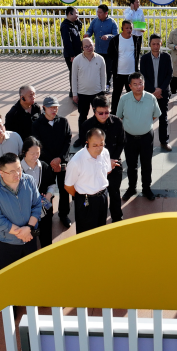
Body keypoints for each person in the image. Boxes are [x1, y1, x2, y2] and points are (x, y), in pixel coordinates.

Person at [0, 153, 43, 271]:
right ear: (1, 173)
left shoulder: (29, 180)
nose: (17, 174)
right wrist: (22, 234)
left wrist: (29, 228)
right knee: (9, 276)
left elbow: (37, 205)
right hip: (7, 242)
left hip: (30, 237)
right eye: (12, 171)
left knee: (31, 272)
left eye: (19, 169)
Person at [115, 72, 161, 201]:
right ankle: (131, 188)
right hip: (129, 137)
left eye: (140, 83)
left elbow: (155, 115)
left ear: (144, 84)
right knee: (131, 165)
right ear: (130, 86)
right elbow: (119, 116)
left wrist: (143, 124)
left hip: (147, 137)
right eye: (135, 84)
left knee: (146, 164)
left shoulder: (151, 98)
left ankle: (146, 188)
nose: (138, 86)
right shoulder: (124, 99)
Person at [79, 96, 126, 222]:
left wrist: (111, 160)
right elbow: (86, 148)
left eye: (107, 112)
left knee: (115, 193)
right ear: (94, 110)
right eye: (101, 113)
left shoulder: (117, 122)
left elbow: (121, 142)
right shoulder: (86, 126)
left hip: (114, 163)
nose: (104, 115)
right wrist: (104, 162)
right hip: (94, 166)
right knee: (97, 195)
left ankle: (117, 219)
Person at [31, 97, 74, 227]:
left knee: (64, 189)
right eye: (50, 107)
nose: (54, 110)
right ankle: (47, 212)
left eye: (55, 107)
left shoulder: (63, 122)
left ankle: (63, 214)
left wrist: (59, 158)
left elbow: (68, 141)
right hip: (46, 164)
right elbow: (38, 146)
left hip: (62, 162)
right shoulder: (37, 124)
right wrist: (51, 161)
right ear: (44, 108)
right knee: (45, 190)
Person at [65, 129, 114, 234]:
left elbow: (107, 171)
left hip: (102, 197)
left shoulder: (105, 152)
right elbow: (68, 186)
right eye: (94, 145)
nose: (99, 148)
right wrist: (81, 196)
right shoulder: (76, 161)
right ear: (87, 142)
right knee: (85, 233)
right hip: (86, 201)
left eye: (101, 144)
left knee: (101, 230)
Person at [20, 137, 59, 247]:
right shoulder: (18, 170)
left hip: (44, 208)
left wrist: (48, 196)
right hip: (26, 211)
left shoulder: (44, 166)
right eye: (32, 153)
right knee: (29, 239)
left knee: (46, 236)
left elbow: (52, 184)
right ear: (24, 152)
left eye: (38, 153)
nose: (35, 156)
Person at [139, 33, 173, 151]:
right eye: (153, 44)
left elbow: (169, 75)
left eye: (158, 44)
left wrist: (160, 89)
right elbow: (143, 76)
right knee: (147, 118)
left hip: (163, 93)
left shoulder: (166, 57)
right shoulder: (144, 58)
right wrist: (153, 91)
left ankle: (164, 141)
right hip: (149, 93)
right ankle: (146, 142)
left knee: (163, 117)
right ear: (150, 44)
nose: (156, 46)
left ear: (161, 44)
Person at [71, 37, 107, 134]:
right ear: (82, 48)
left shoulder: (100, 59)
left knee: (99, 115)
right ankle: (82, 136)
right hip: (82, 93)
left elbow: (103, 76)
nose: (89, 48)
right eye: (86, 46)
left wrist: (103, 91)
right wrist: (75, 94)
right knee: (83, 116)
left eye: (90, 45)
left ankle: (100, 135)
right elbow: (74, 78)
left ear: (94, 44)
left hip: (97, 92)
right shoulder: (77, 60)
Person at [109, 19, 140, 114]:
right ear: (122, 28)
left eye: (130, 28)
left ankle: (132, 111)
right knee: (116, 93)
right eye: (126, 28)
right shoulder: (115, 40)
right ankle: (114, 112)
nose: (129, 30)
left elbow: (137, 54)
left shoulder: (136, 39)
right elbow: (110, 54)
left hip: (132, 73)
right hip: (119, 72)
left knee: (132, 93)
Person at [86, 4, 119, 91]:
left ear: (106, 13)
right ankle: (98, 84)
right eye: (98, 12)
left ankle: (107, 84)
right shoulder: (94, 21)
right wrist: (87, 34)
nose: (98, 14)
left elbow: (116, 35)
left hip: (108, 51)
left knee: (108, 69)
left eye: (100, 12)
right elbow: (90, 30)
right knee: (97, 68)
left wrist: (108, 36)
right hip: (98, 50)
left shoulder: (112, 22)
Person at [61, 7, 83, 97]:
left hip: (77, 52)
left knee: (78, 72)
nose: (78, 15)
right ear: (70, 13)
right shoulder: (65, 26)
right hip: (71, 54)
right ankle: (73, 91)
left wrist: (77, 20)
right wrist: (72, 55)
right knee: (73, 72)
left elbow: (80, 27)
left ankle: (77, 90)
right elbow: (67, 42)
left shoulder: (74, 23)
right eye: (76, 13)